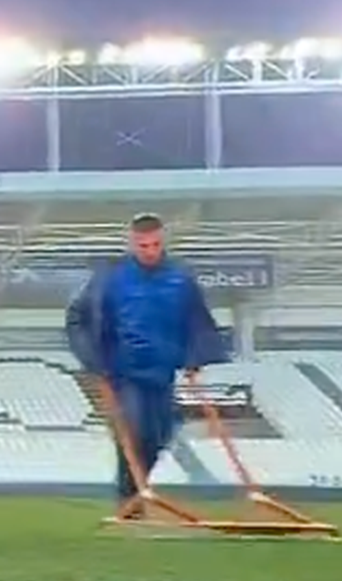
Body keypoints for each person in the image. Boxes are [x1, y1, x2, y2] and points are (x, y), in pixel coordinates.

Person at [64, 213, 229, 508]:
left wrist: (196, 357)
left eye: (155, 244)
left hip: (163, 370)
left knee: (160, 436)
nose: (150, 251)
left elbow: (196, 319)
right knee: (135, 430)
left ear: (163, 240)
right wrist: (91, 358)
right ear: (132, 244)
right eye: (143, 246)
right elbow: (78, 318)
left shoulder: (180, 277)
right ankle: (129, 499)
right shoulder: (110, 277)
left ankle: (136, 492)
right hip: (122, 370)